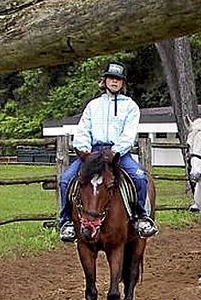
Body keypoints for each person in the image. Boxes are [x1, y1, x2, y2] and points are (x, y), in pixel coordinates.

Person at [58, 61, 158, 242]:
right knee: (65, 180)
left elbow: (129, 134)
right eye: (111, 78)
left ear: (123, 83)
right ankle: (66, 222)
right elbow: (83, 129)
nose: (114, 82)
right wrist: (84, 149)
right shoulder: (93, 106)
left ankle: (141, 217)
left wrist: (116, 151)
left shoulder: (131, 106)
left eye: (118, 79)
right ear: (104, 81)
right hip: (92, 153)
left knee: (139, 177)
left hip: (118, 154)